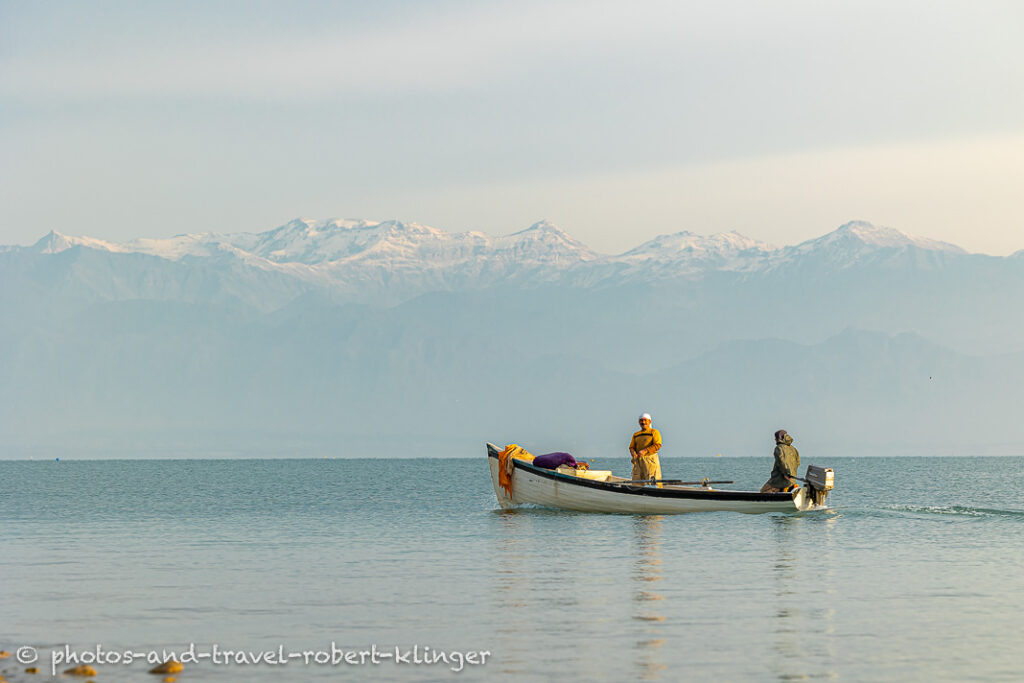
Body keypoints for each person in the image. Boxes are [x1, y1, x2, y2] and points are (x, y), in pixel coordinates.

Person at [629, 413, 663, 487]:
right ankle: (637, 494)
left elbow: (658, 445)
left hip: (650, 460)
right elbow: (631, 447)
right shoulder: (636, 434)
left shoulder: (654, 432)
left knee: (651, 479)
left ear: (649, 422)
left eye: (645, 420)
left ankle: (656, 494)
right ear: (639, 422)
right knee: (636, 479)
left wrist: (645, 451)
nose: (643, 422)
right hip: (638, 460)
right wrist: (633, 452)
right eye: (641, 420)